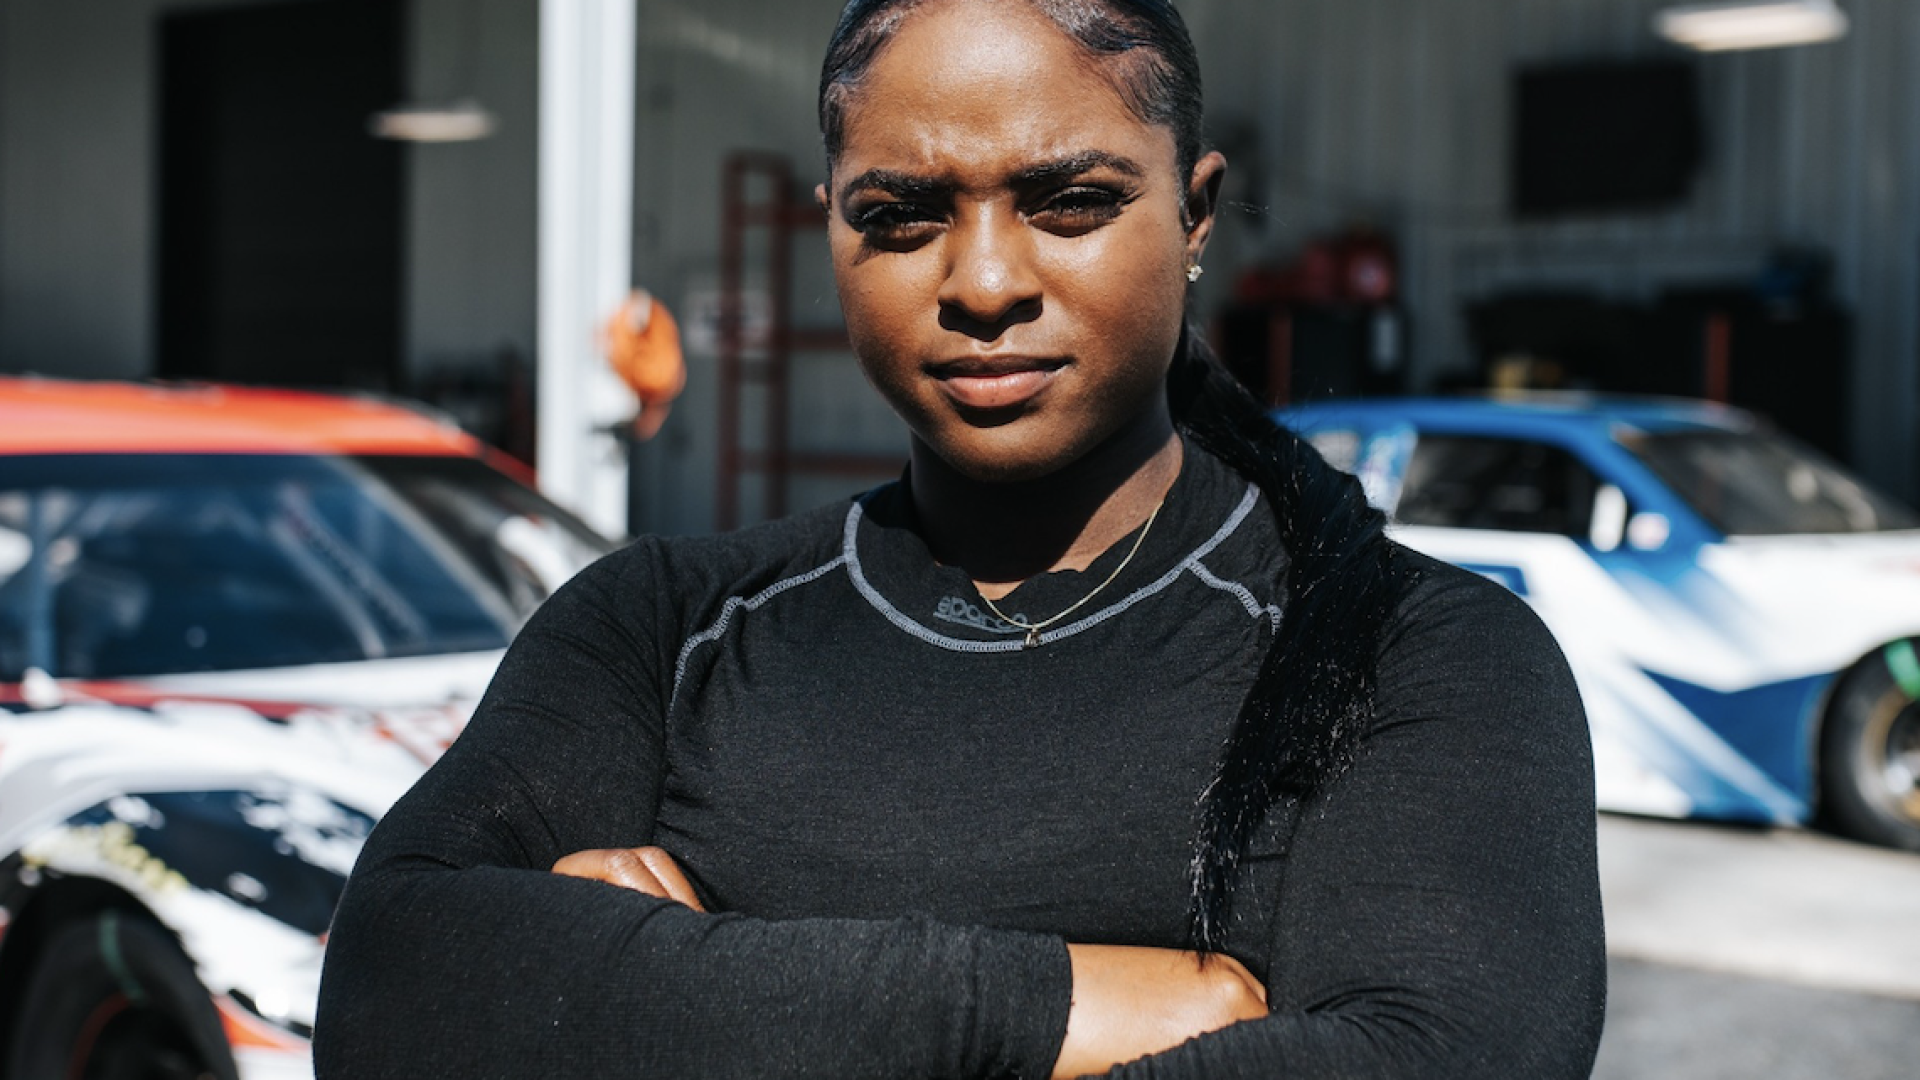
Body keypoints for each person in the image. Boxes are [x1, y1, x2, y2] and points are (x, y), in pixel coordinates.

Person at [313, 1, 1606, 1075]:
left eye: (1070, 202)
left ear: (1197, 216)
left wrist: (666, 1005)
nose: (985, 282)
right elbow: (391, 988)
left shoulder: (1415, 659)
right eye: (902, 215)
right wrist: (1066, 1009)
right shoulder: (660, 631)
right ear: (832, 228)